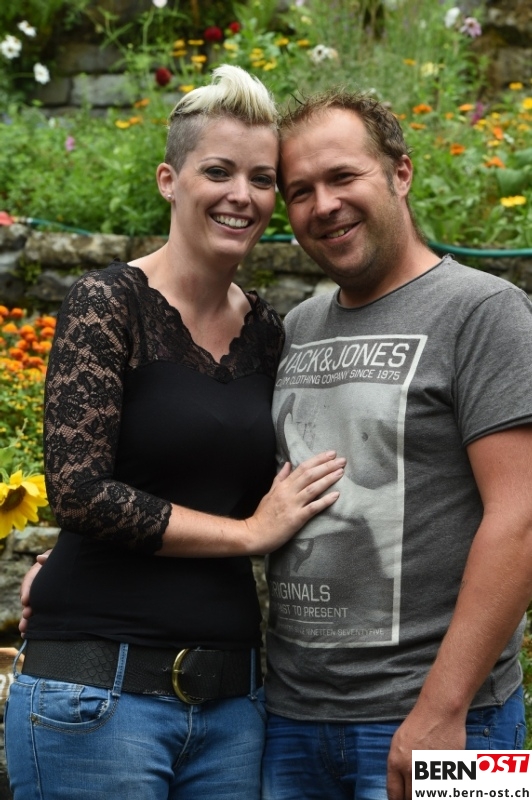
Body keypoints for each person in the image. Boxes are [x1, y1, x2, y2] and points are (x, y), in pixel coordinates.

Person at [4, 65, 346, 800]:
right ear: (169, 179)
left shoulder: (271, 334)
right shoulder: (106, 303)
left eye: (262, 179)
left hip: (234, 710)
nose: (241, 195)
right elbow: (80, 493)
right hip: (97, 698)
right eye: (218, 171)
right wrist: (249, 534)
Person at [261, 90, 532, 800]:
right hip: (290, 722)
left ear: (400, 173)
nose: (323, 205)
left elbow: (522, 519)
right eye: (300, 191)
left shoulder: (487, 311)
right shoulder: (298, 327)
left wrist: (441, 711)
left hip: (459, 719)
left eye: (343, 177)